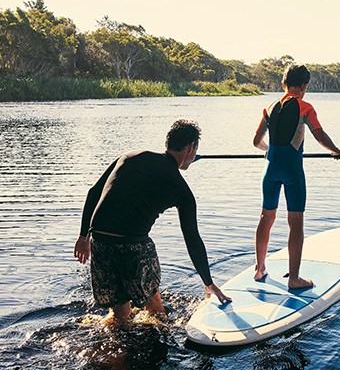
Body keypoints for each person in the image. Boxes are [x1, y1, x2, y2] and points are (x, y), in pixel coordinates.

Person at [73, 119, 231, 322]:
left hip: (100, 242)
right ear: (191, 147)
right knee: (154, 305)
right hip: (132, 245)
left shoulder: (131, 156)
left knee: (120, 314)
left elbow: (94, 192)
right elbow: (192, 239)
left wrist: (84, 235)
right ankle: (162, 331)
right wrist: (208, 283)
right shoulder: (181, 190)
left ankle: (119, 344)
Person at [253, 64, 340, 289]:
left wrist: (268, 150)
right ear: (304, 86)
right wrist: (336, 151)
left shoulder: (269, 107)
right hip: (293, 172)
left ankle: (259, 269)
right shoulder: (305, 108)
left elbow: (256, 142)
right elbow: (320, 135)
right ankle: (294, 279)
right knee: (295, 223)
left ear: (283, 83)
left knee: (266, 218)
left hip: (270, 170)